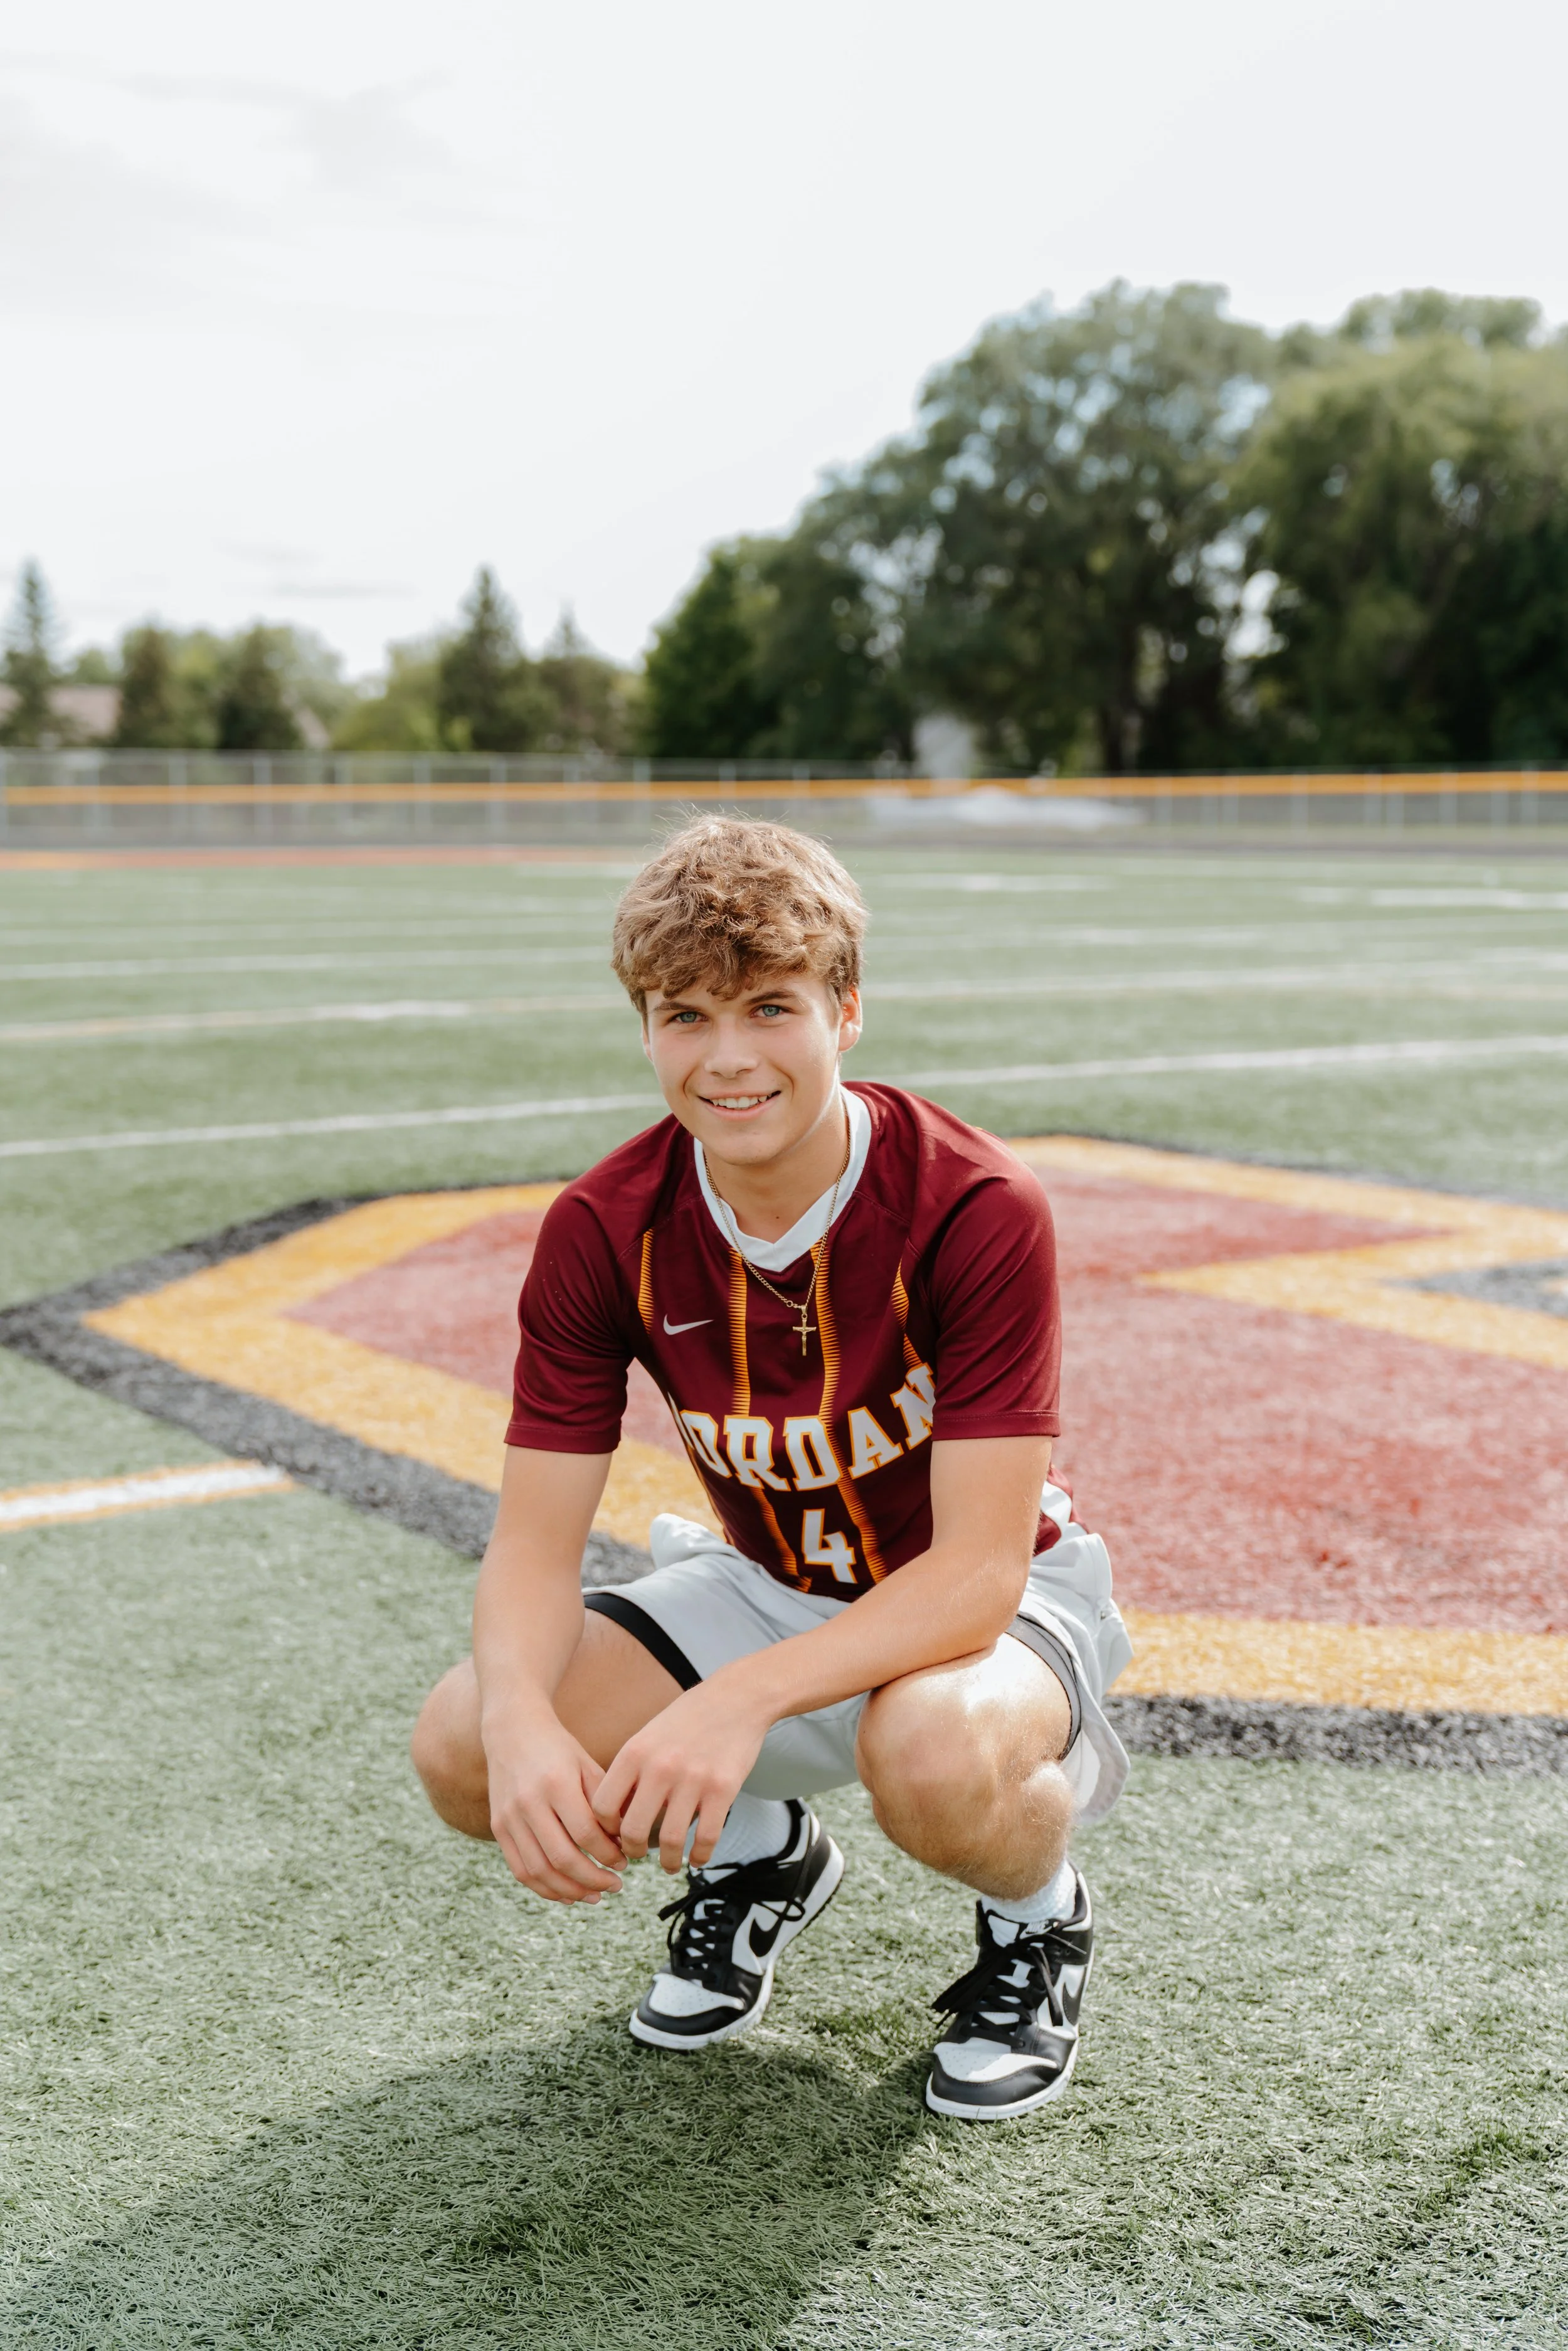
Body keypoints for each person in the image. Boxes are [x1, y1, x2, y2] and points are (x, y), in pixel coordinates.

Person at [412, 815, 1130, 2121]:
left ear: (845, 1011)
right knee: (464, 1740)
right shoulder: (601, 1226)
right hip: (767, 1577)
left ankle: (1036, 1919)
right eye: (683, 1014)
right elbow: (531, 1547)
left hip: (989, 1606)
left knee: (925, 1751)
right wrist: (522, 1719)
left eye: (769, 1006)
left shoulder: (970, 1201)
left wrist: (735, 1700)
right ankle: (760, 1851)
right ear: (643, 1027)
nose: (726, 1056)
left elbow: (971, 1569)